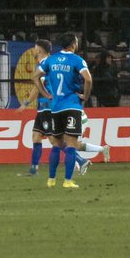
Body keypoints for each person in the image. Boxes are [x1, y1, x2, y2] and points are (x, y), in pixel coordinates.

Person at [34, 32, 93, 189]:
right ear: (73, 44)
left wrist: (46, 94)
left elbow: (35, 76)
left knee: (56, 144)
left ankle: (51, 180)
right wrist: (85, 96)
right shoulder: (77, 60)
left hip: (55, 108)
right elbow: (88, 79)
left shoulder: (51, 60)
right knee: (72, 144)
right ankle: (67, 181)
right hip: (72, 106)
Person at [18, 40, 54, 176]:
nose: (33, 50)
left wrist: (25, 104)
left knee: (53, 139)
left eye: (35, 48)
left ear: (39, 50)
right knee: (36, 136)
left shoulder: (45, 65)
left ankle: (78, 160)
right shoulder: (46, 63)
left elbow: (37, 89)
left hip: (47, 107)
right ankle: (34, 169)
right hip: (42, 107)